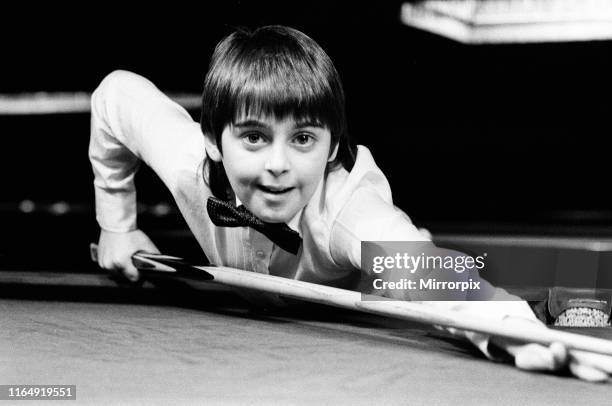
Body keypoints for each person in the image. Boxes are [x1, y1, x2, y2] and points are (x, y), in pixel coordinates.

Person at [89, 25, 612, 381]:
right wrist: (117, 225)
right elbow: (115, 94)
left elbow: (426, 272)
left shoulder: (347, 214)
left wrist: (520, 335)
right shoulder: (188, 160)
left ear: (333, 146)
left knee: (536, 289)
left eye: (302, 140)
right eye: (253, 138)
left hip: (402, 286)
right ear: (212, 140)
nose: (277, 164)